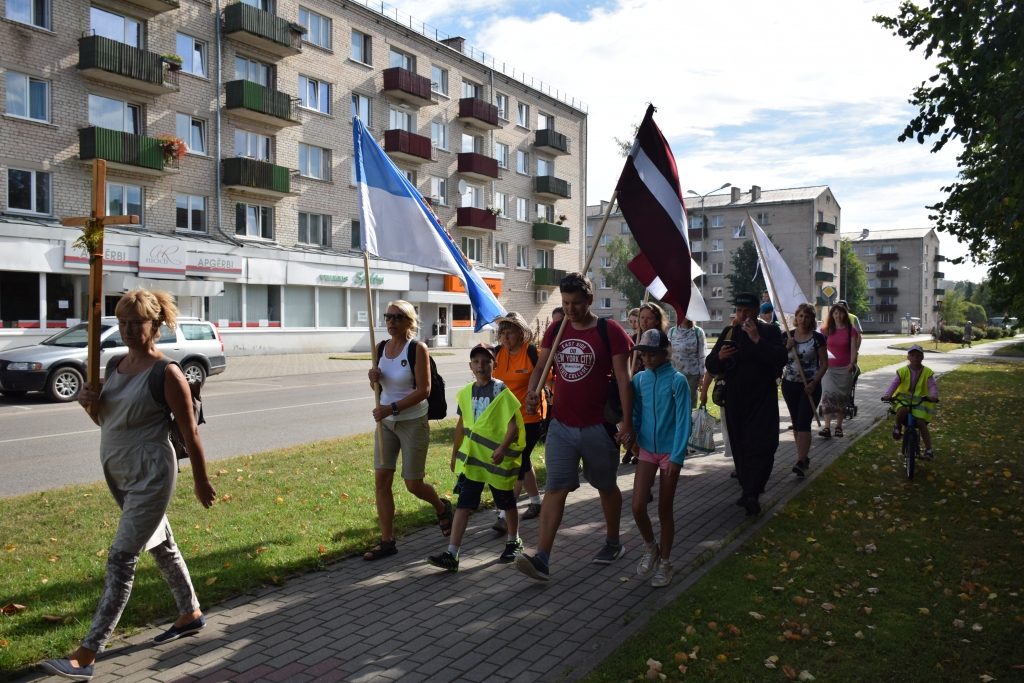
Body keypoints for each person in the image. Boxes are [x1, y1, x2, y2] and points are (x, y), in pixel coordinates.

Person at [40, 290, 216, 681]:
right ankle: (190, 612)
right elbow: (110, 422)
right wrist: (88, 402)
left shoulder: (166, 372)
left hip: (151, 474)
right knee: (162, 545)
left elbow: (190, 433)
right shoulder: (115, 365)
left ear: (155, 325)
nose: (128, 330)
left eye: (137, 322)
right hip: (119, 471)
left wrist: (201, 480)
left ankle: (87, 655)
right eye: (122, 322)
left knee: (121, 559)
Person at [515, 272, 635, 581]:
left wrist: (628, 422)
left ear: (590, 300)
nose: (570, 309)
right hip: (561, 425)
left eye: (577, 303)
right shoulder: (556, 329)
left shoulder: (610, 331)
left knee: (605, 485)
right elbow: (540, 367)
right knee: (555, 487)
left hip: (599, 426)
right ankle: (542, 557)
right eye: (566, 303)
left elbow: (624, 379)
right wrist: (533, 393)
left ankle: (613, 541)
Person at [364, 301, 452, 560]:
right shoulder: (380, 348)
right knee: (382, 479)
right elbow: (378, 389)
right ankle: (387, 541)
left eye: (397, 317)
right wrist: (373, 380)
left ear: (409, 322)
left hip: (413, 421)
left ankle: (441, 507)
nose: (391, 321)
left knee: (413, 484)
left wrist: (390, 408)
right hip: (386, 423)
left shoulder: (417, 349)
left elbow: (424, 390)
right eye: (388, 316)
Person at [428, 344, 524, 570]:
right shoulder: (466, 393)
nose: (481, 366)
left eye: (486, 361)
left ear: (494, 364)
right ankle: (452, 553)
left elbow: (513, 426)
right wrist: (455, 454)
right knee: (463, 504)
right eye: (476, 361)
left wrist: (502, 449)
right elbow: (462, 426)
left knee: (506, 501)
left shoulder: (500, 391)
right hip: (473, 461)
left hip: (495, 459)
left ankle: (514, 541)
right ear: (470, 365)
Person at [705, 292, 788, 516]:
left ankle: (754, 490)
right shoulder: (729, 332)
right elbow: (710, 364)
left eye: (747, 312)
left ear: (757, 311)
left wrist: (757, 340)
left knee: (762, 445)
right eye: (739, 311)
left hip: (762, 399)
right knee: (740, 446)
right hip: (735, 399)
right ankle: (748, 490)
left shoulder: (769, 332)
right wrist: (720, 357)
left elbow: (781, 358)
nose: (742, 316)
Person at [630, 329, 691, 587]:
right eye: (643, 354)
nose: (646, 359)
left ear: (665, 353)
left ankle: (665, 563)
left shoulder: (678, 381)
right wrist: (632, 437)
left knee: (664, 509)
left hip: (669, 453)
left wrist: (677, 456)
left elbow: (684, 421)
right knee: (637, 506)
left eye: (652, 354)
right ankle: (650, 546)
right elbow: (636, 412)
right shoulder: (639, 380)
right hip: (646, 449)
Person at [492, 313, 545, 531]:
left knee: (516, 463)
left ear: (521, 334)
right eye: (502, 333)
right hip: (506, 420)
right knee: (523, 461)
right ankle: (536, 502)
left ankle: (504, 515)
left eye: (510, 333)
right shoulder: (497, 354)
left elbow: (550, 379)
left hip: (530, 418)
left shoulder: (533, 353)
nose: (505, 337)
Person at [781, 303, 829, 478]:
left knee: (803, 421)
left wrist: (814, 382)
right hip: (790, 384)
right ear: (796, 317)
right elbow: (778, 358)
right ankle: (804, 456)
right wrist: (786, 347)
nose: (803, 319)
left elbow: (824, 363)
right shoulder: (787, 336)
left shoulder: (817, 338)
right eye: (800, 316)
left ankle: (800, 462)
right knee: (796, 421)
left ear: (812, 319)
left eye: (807, 316)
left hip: (810, 387)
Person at [882, 344, 938, 459]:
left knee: (921, 423)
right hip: (904, 400)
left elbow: (932, 385)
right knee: (902, 410)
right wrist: (888, 395)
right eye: (912, 355)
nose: (915, 358)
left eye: (918, 355)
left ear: (922, 357)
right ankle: (897, 427)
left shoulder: (927, 372)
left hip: (920, 402)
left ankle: (929, 450)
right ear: (908, 357)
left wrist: (934, 396)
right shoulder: (903, 371)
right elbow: (895, 383)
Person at [818, 304, 860, 439]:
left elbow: (853, 349)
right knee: (827, 396)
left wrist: (852, 363)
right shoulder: (825, 330)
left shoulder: (851, 330)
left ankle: (839, 427)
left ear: (845, 315)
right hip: (828, 369)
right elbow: (819, 348)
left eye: (841, 313)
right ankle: (827, 427)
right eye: (835, 313)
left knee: (842, 398)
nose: (838, 316)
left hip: (845, 369)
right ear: (832, 315)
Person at [667, 315, 707, 408]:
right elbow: (668, 353)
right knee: (673, 404)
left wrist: (702, 377)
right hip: (674, 374)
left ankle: (688, 418)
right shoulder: (672, 331)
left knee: (688, 405)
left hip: (692, 375)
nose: (680, 316)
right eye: (678, 313)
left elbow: (702, 355)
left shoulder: (698, 332)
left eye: (683, 314)